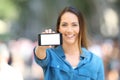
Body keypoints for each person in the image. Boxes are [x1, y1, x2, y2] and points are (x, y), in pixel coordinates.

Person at [34, 6, 105, 80]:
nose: (69, 30)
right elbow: (39, 56)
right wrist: (41, 47)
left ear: (80, 27)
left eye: (74, 25)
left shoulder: (95, 62)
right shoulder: (50, 55)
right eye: (64, 25)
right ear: (59, 28)